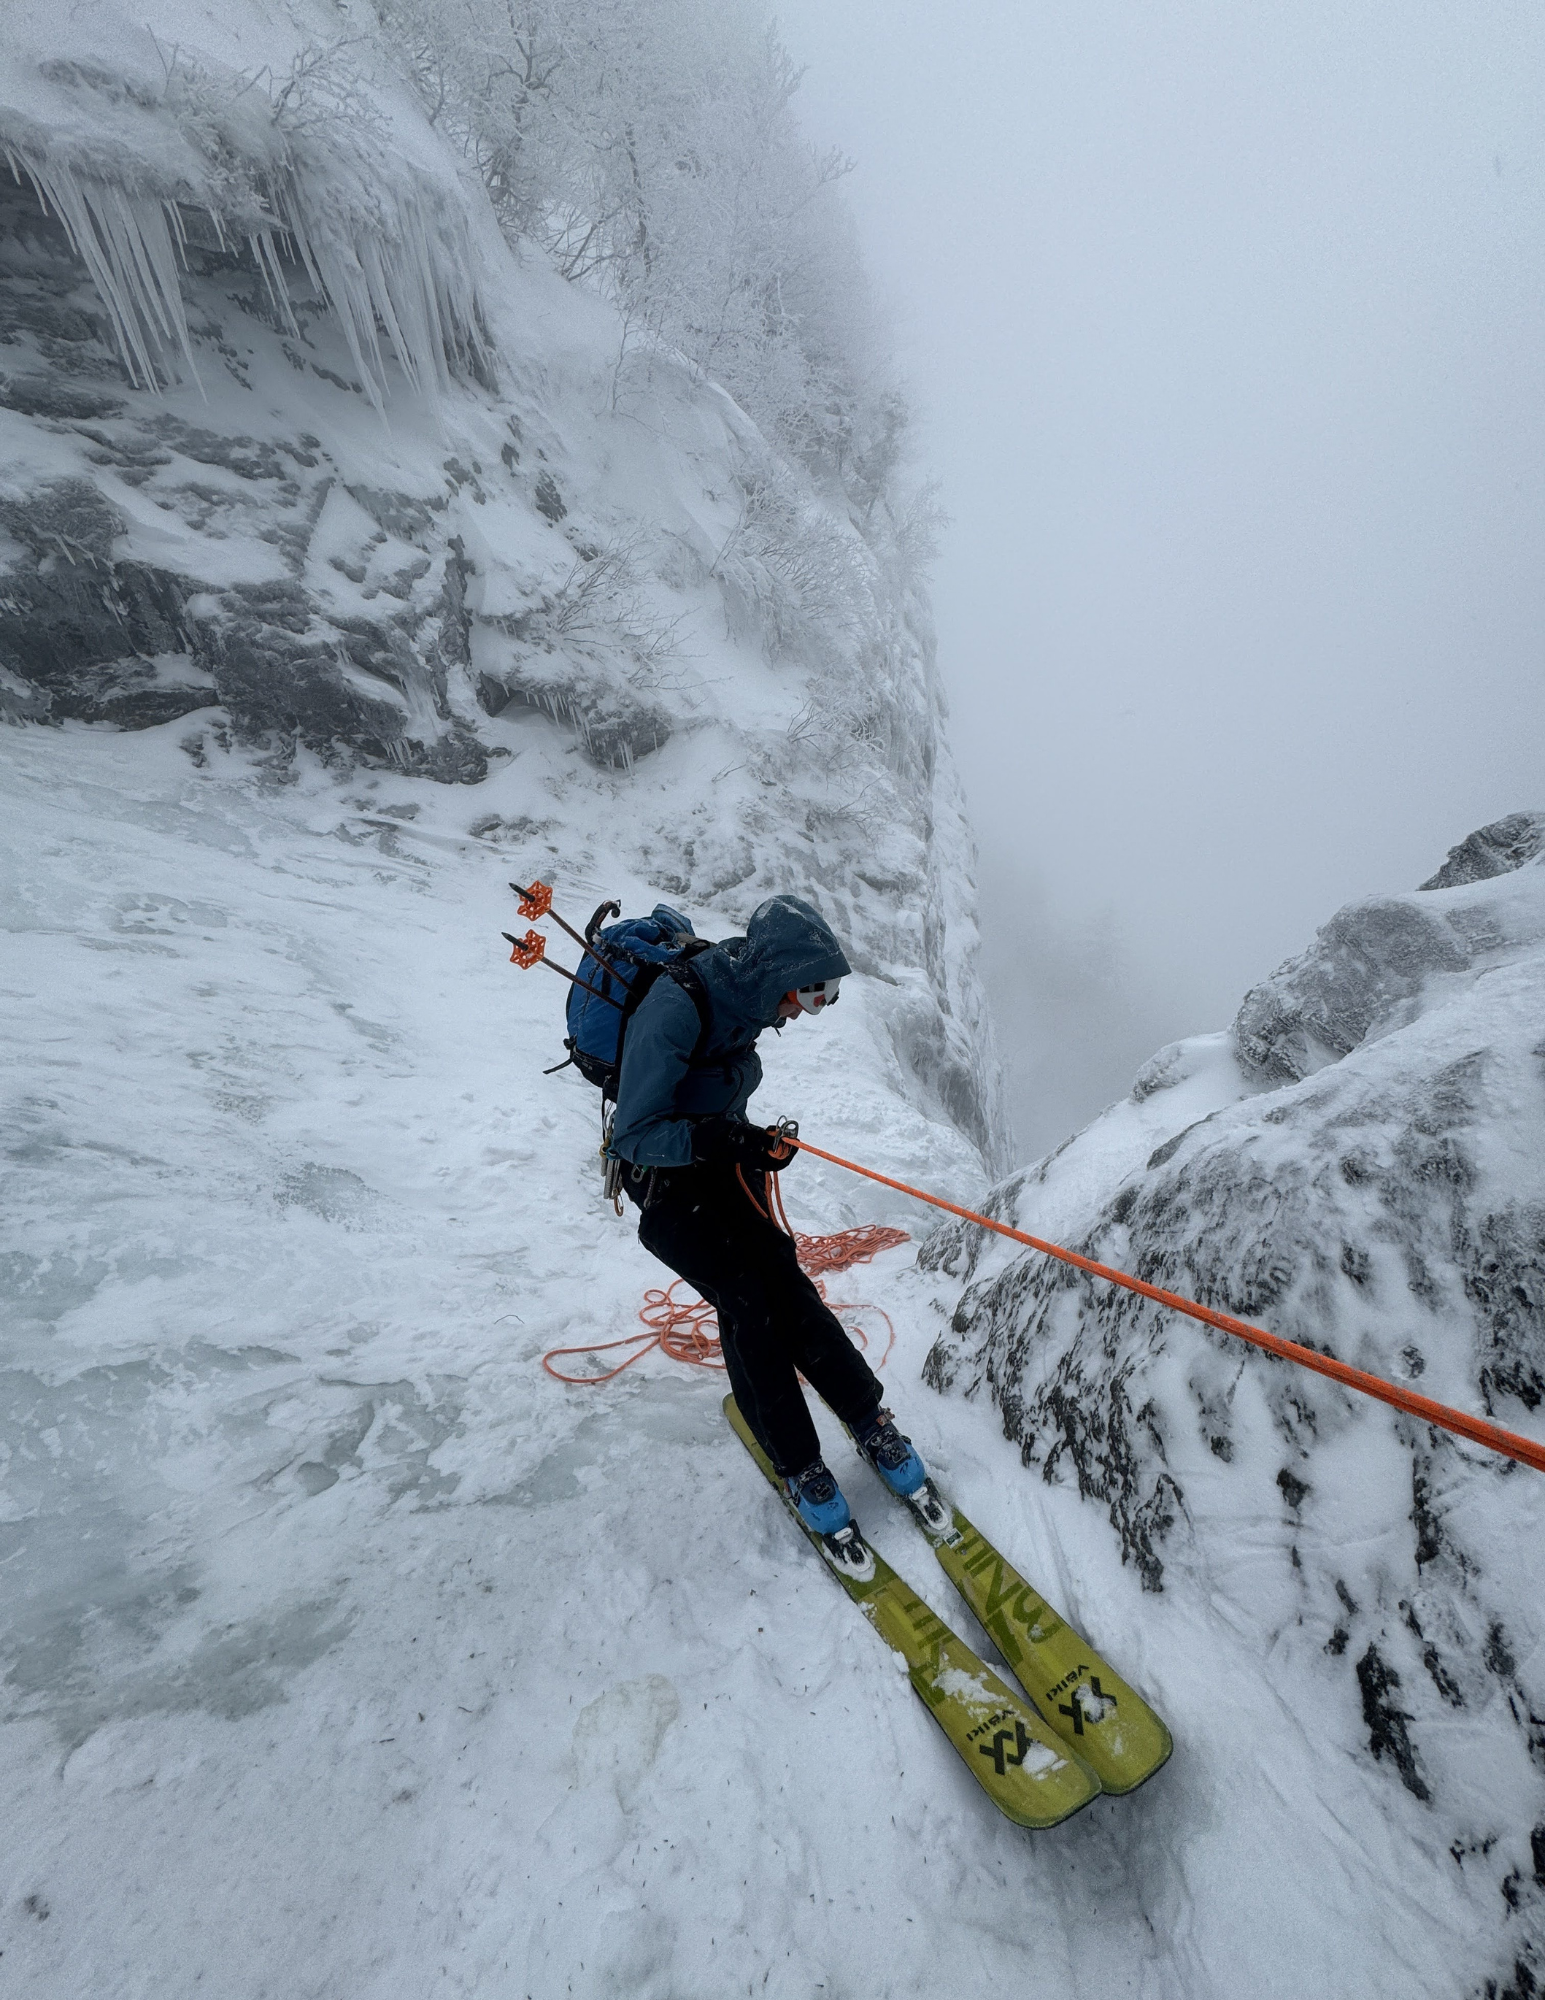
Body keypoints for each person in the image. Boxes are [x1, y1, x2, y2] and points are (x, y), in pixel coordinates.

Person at [608, 893, 928, 1539]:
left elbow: (713, 1089)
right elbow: (632, 1135)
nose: (810, 1011)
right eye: (810, 996)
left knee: (784, 1280)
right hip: (662, 1181)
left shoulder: (747, 998)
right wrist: (723, 1141)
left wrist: (748, 1140)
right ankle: (799, 1462)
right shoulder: (675, 1008)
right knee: (744, 1297)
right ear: (779, 979)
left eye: (825, 997)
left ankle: (868, 1419)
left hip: (719, 1163)